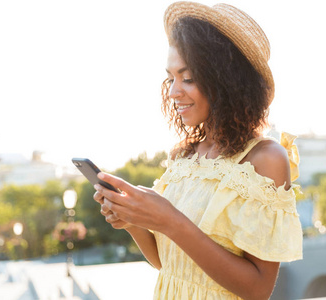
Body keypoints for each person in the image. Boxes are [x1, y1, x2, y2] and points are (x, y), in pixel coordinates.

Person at [93, 2, 303, 299]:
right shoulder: (185, 156)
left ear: (225, 80)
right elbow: (170, 264)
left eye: (187, 77)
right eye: (171, 78)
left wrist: (169, 220)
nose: (173, 91)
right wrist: (133, 222)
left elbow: (258, 290)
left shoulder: (265, 158)